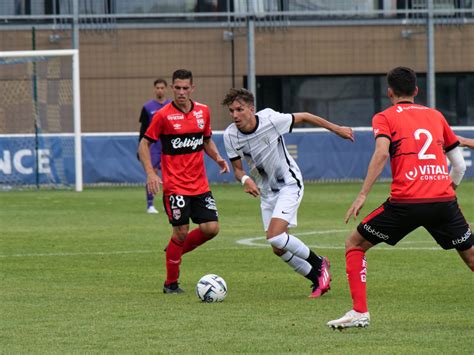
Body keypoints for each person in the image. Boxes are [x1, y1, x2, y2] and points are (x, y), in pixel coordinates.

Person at [327, 67, 473, 330]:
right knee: (471, 257)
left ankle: (360, 312)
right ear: (416, 91)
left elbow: (382, 153)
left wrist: (362, 195)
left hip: (406, 203)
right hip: (443, 202)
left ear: (389, 92)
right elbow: (460, 165)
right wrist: (448, 190)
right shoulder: (436, 116)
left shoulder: (384, 117)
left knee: (355, 244)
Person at [222, 88, 354, 298]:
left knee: (275, 236)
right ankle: (316, 279)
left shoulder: (270, 120)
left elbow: (306, 116)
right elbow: (238, 170)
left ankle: (320, 264)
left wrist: (336, 129)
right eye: (231, 111)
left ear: (251, 109)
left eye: (239, 109)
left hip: (289, 184)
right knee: (278, 248)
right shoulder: (230, 135)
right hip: (266, 192)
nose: (235, 115)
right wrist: (246, 180)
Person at [138, 69, 229, 294]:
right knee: (180, 232)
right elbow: (144, 144)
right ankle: (171, 283)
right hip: (175, 186)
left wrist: (217, 157)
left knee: (211, 228)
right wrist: (151, 173)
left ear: (192, 88)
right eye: (177, 88)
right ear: (172, 88)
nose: (181, 92)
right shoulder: (163, 115)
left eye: (185, 88)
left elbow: (206, 140)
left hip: (200, 185)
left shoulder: (203, 112)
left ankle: (173, 251)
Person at [138, 78, 172, 214]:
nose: (160, 90)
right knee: (152, 174)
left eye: (162, 88)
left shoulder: (172, 105)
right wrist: (139, 148)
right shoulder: (147, 107)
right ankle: (150, 204)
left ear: (166, 89)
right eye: (157, 88)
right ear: (154, 89)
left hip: (168, 145)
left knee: (169, 176)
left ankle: (168, 203)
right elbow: (143, 130)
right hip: (153, 146)